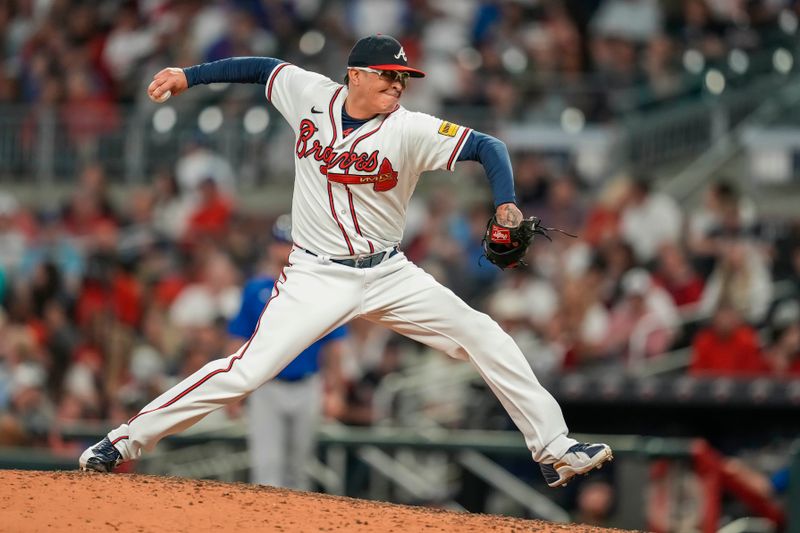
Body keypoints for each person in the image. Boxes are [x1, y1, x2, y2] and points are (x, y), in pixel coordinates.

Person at [79, 34, 612, 488]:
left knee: (483, 333)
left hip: (389, 272)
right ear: (355, 75)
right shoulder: (309, 94)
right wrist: (187, 76)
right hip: (317, 274)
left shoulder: (411, 129)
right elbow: (259, 68)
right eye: (387, 75)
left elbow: (489, 147)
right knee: (247, 371)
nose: (398, 85)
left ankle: (554, 449)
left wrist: (506, 203)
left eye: (403, 77)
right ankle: (123, 440)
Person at [228, 215, 348, 489]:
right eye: (281, 244)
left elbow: (334, 345)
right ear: (271, 247)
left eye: (291, 244)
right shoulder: (256, 288)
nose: (285, 251)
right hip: (266, 386)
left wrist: (336, 391)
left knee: (300, 471)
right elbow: (237, 341)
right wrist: (234, 391)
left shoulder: (320, 288)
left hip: (308, 384)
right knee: (266, 468)